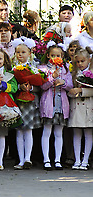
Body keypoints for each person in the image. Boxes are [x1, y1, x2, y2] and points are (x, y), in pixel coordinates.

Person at [39, 42, 72, 170]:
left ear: (62, 56)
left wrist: (63, 82)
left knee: (59, 133)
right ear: (48, 55)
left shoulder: (66, 69)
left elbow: (70, 86)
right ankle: (46, 159)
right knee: (46, 132)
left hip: (61, 106)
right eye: (52, 55)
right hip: (48, 105)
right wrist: (52, 78)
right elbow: (42, 86)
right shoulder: (43, 69)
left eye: (58, 55)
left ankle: (57, 160)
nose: (55, 57)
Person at [11, 37, 41, 170]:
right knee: (19, 131)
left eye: (23, 52)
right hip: (17, 101)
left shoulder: (33, 68)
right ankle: (20, 159)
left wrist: (31, 88)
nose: (20, 55)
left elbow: (40, 85)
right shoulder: (13, 69)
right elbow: (11, 85)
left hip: (29, 102)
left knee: (28, 131)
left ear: (29, 53)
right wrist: (19, 87)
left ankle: (27, 158)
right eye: (18, 52)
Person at [68, 47, 93, 170]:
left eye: (82, 61)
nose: (80, 64)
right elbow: (69, 86)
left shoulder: (91, 72)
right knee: (76, 133)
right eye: (78, 62)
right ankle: (77, 159)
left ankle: (85, 160)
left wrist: (81, 90)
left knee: (88, 133)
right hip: (76, 106)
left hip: (88, 105)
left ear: (89, 60)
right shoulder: (73, 73)